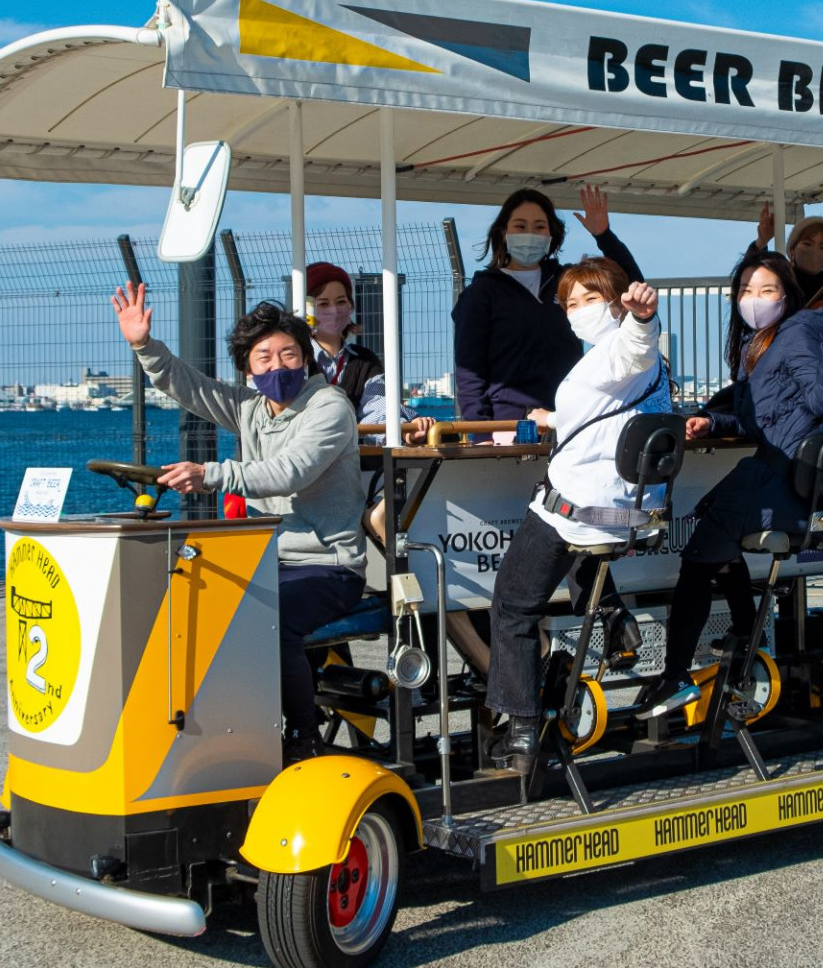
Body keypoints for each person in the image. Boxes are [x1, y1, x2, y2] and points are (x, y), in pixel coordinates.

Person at [111, 285, 367, 761]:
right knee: (192, 609)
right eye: (263, 357)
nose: (277, 366)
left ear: (305, 357)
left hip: (328, 565)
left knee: (269, 621)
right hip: (268, 559)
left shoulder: (329, 406)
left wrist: (210, 475)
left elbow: (289, 471)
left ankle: (302, 737)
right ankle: (217, 730)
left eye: (288, 354)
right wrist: (143, 345)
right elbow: (190, 387)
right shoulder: (250, 408)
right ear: (248, 368)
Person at [635, 251, 823, 717]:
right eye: (746, 291)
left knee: (698, 562)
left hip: (782, 477)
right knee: (713, 544)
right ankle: (747, 635)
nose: (754, 300)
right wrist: (712, 422)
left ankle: (676, 676)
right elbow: (758, 418)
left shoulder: (799, 330)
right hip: (770, 470)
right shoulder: (758, 343)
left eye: (767, 291)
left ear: (787, 295)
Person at [482, 259, 665, 773]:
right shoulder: (617, 364)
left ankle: (520, 732)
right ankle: (614, 618)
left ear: (615, 298)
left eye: (590, 298)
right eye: (570, 303)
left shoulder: (621, 347)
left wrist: (642, 320)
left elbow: (633, 349)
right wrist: (552, 418)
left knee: (513, 607)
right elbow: (608, 412)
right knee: (575, 549)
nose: (578, 311)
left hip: (580, 505)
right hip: (622, 511)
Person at [452, 184, 645, 427]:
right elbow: (470, 371)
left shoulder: (567, 282)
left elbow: (632, 288)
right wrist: (481, 432)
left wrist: (603, 235)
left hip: (570, 416)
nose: (530, 234)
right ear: (503, 232)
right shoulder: (481, 293)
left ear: (551, 234)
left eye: (539, 227)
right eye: (520, 226)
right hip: (510, 424)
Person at [303, 262, 434, 443]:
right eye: (323, 304)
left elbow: (377, 404)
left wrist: (402, 431)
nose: (333, 311)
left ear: (350, 306)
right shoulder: (296, 358)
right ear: (307, 309)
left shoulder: (365, 360)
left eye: (341, 301)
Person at [744, 203, 823, 309]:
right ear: (792, 250)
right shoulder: (781, 275)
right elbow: (748, 275)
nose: (814, 251)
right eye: (807, 244)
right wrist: (762, 241)